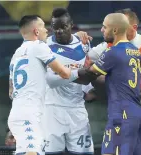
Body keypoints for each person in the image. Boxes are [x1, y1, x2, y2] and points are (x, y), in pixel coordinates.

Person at [78, 8, 141, 155]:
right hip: (137, 112)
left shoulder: (115, 50)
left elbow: (88, 74)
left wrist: (62, 73)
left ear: (117, 29)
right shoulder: (135, 51)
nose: (102, 30)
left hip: (129, 113)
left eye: (105, 27)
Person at [8, 15, 76, 155]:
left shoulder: (17, 54)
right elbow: (64, 73)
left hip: (18, 112)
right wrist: (76, 69)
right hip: (30, 114)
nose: (47, 30)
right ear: (36, 32)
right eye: (43, 26)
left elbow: (11, 91)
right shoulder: (39, 46)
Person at [44, 8, 94, 155]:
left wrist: (88, 89)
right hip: (52, 109)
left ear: (71, 25)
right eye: (55, 27)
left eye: (63, 27)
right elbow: (50, 81)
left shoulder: (84, 44)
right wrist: (77, 73)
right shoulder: (45, 47)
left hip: (77, 109)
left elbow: (88, 70)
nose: (59, 31)